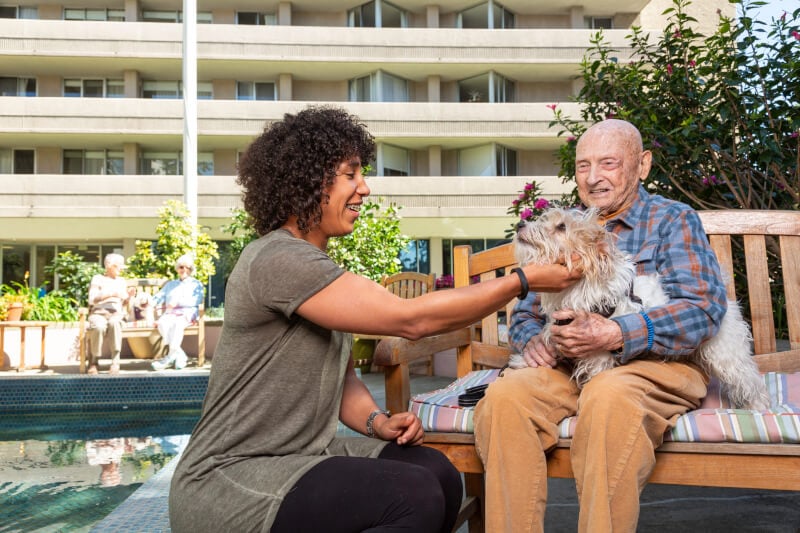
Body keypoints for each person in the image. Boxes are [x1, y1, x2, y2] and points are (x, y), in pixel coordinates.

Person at [168, 106, 581, 533]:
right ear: (309, 181)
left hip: (306, 454)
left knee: (438, 473)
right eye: (351, 174)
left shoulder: (314, 263)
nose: (364, 188)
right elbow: (411, 319)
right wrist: (523, 280)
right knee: (411, 496)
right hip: (231, 476)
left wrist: (377, 421)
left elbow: (340, 378)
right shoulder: (278, 259)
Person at [474, 119, 729, 532]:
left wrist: (616, 334)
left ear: (642, 165)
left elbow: (702, 309)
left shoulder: (671, 220)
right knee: (506, 399)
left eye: (608, 163)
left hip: (656, 366)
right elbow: (527, 309)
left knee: (609, 397)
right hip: (570, 367)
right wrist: (529, 341)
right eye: (582, 166)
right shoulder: (563, 228)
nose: (593, 178)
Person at [149, 254, 204, 371]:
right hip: (170, 313)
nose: (184, 270)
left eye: (187, 267)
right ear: (177, 268)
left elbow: (196, 300)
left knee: (177, 324)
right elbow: (159, 297)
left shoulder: (196, 284)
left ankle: (168, 359)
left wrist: (177, 302)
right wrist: (148, 301)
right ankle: (180, 356)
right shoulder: (171, 284)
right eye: (181, 267)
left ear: (191, 270)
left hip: (187, 313)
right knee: (162, 323)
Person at [86, 253, 134, 375]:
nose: (121, 269)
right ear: (109, 266)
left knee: (114, 323)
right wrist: (111, 293)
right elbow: (92, 299)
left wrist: (129, 297)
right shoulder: (98, 279)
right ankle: (94, 361)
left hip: (116, 313)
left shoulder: (121, 281)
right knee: (99, 326)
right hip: (99, 312)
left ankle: (115, 362)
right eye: (118, 266)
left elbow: (124, 303)